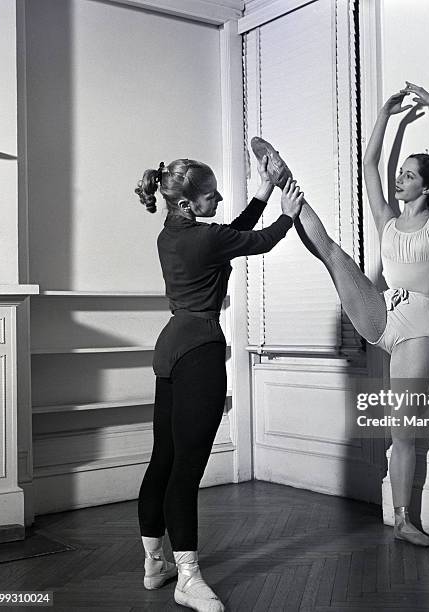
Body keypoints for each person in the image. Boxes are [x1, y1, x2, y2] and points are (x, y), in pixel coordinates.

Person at [254, 82, 429, 547]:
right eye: (400, 173)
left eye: (408, 175)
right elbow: (368, 163)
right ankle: (285, 181)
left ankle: (404, 519)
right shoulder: (387, 218)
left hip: (418, 327)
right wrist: (386, 115)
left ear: (426, 186)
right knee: (331, 253)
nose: (398, 179)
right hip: (382, 310)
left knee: (401, 431)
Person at [135, 156, 303, 610]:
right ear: (188, 203)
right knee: (186, 469)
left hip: (169, 346)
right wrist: (290, 213)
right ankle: (187, 578)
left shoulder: (172, 233)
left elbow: (230, 234)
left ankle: (155, 563)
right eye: (212, 196)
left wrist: (265, 191)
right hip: (199, 351)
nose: (220, 199)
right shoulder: (206, 238)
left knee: (163, 460)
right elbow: (258, 240)